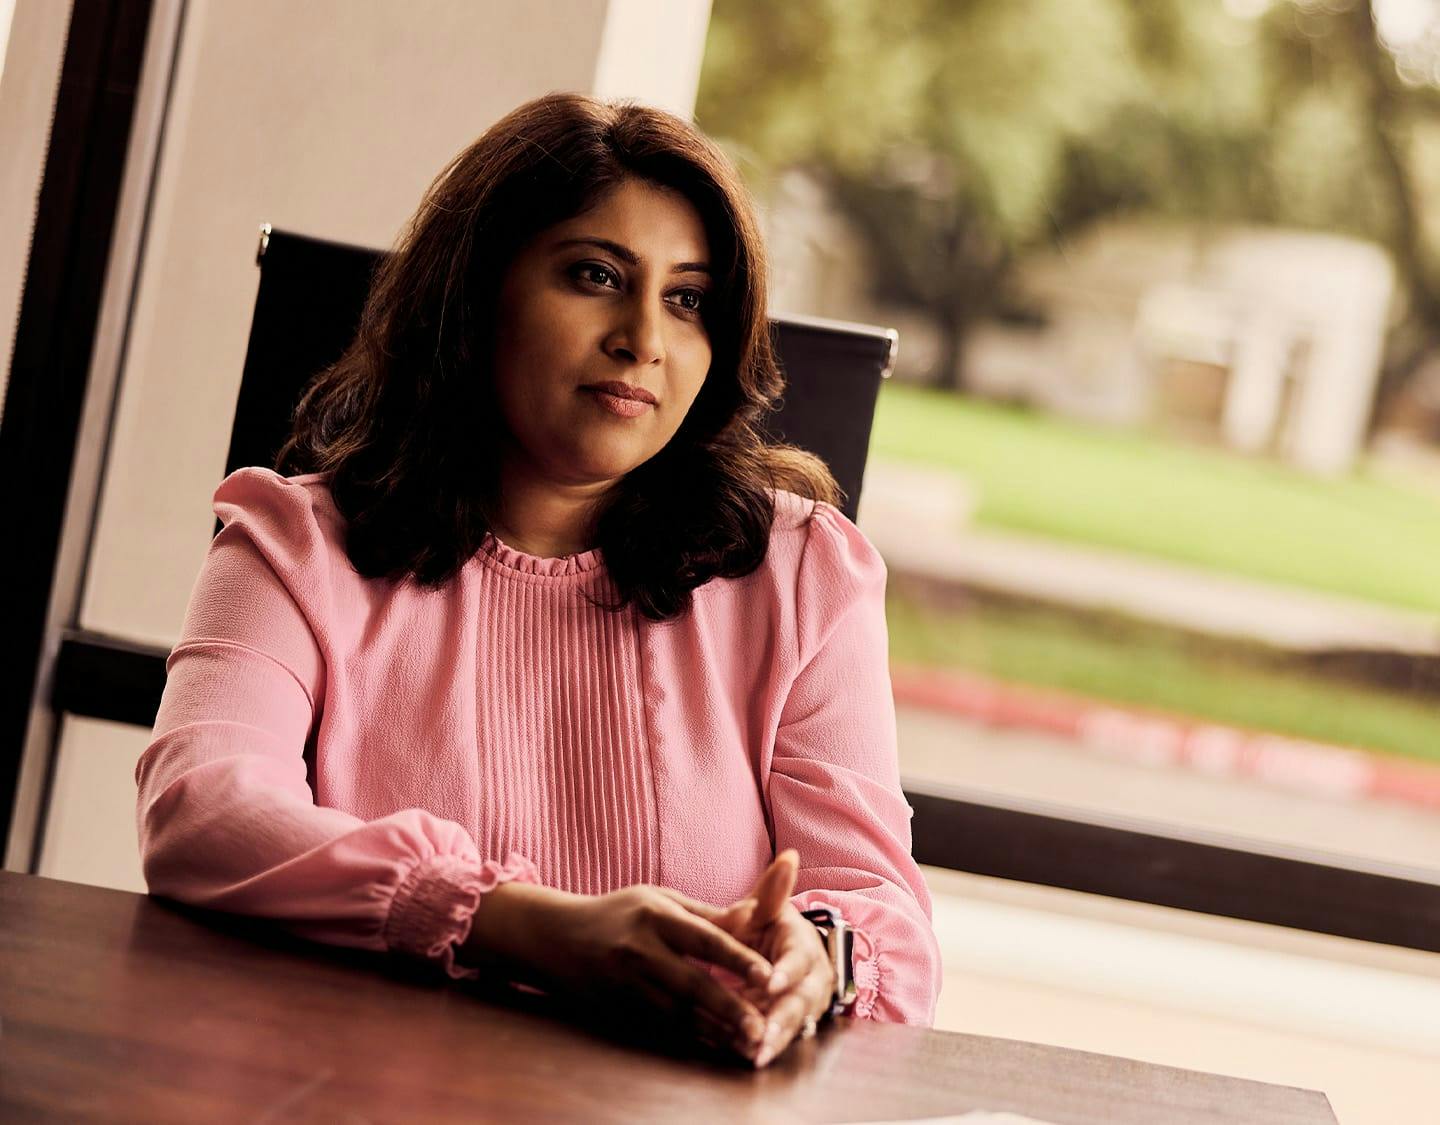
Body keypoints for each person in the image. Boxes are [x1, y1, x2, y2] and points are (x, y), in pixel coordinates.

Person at [135, 91, 941, 1070]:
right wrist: (508, 922)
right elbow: (200, 810)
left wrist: (821, 958)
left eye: (688, 298)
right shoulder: (293, 543)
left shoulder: (803, 573)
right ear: (477, 297)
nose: (643, 337)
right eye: (596, 276)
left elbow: (884, 917)